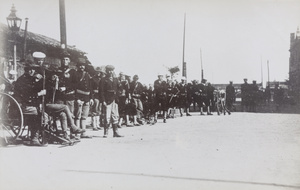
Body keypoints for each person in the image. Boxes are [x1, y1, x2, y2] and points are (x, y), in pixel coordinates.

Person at [14, 59, 46, 146]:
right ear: (26, 70)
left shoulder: (31, 79)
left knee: (42, 111)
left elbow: (34, 93)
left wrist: (39, 103)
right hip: (22, 106)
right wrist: (39, 94)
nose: (32, 71)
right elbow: (27, 96)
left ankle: (38, 134)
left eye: (33, 69)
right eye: (30, 69)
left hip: (30, 105)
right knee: (38, 112)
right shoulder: (22, 81)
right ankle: (34, 138)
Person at [99, 65, 123, 137]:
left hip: (114, 100)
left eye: (112, 70)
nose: (110, 72)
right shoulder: (103, 80)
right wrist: (103, 101)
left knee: (115, 116)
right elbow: (101, 91)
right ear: (106, 71)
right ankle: (106, 132)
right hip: (107, 100)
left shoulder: (116, 79)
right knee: (107, 116)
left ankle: (115, 132)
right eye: (109, 70)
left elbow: (120, 88)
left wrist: (118, 93)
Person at [74, 59, 94, 138]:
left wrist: (91, 98)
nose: (82, 67)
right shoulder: (75, 74)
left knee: (84, 116)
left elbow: (90, 87)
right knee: (78, 116)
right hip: (79, 97)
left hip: (87, 98)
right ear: (78, 66)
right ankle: (77, 133)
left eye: (83, 65)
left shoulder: (87, 74)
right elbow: (74, 87)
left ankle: (83, 132)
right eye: (80, 65)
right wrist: (77, 98)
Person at [90, 66, 105, 131]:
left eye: (99, 72)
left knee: (99, 110)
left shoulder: (102, 79)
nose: (98, 73)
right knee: (94, 110)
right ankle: (94, 125)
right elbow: (91, 88)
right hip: (95, 95)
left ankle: (98, 124)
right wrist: (92, 97)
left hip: (100, 96)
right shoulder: (92, 79)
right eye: (97, 72)